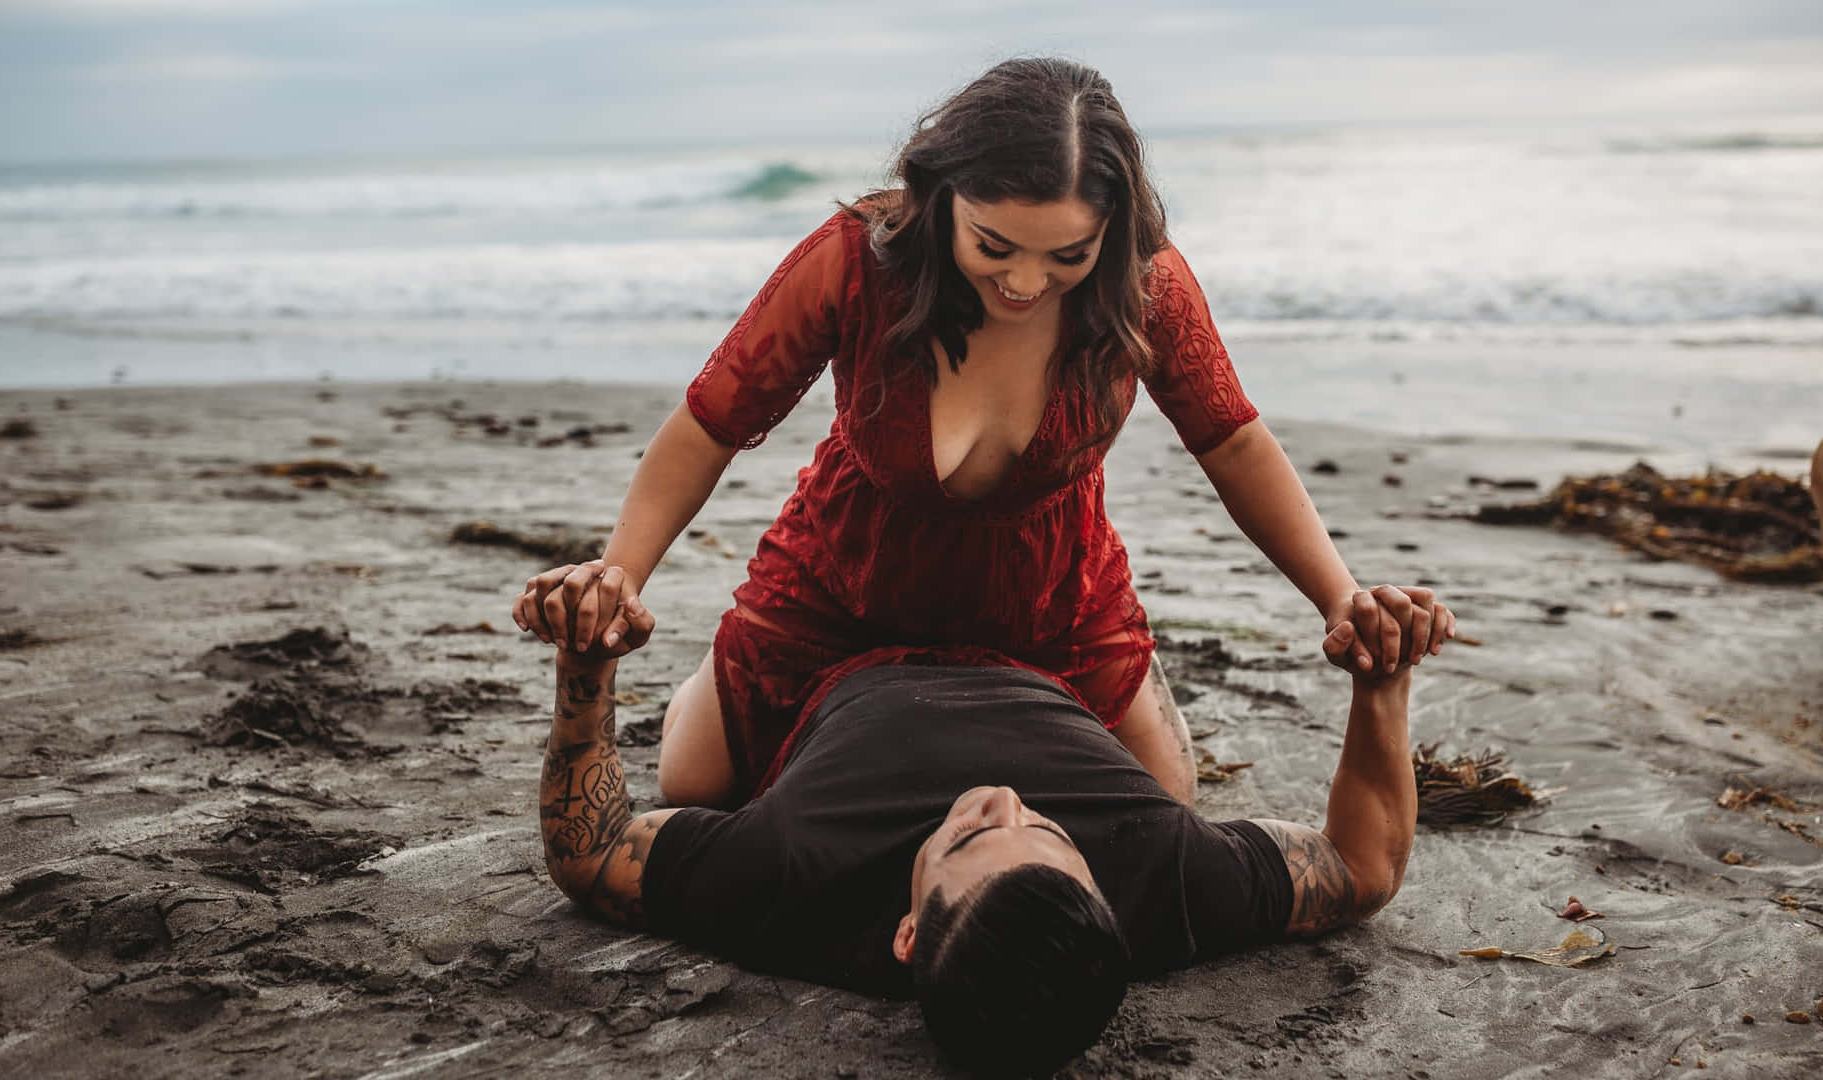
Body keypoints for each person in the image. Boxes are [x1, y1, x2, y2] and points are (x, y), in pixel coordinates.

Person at [513, 56, 1451, 810]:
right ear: (939, 197)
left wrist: (1337, 597)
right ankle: (711, 681)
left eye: (1067, 255)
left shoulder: (1147, 287)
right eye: (995, 246)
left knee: (1161, 807)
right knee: (698, 787)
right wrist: (620, 574)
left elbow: (1234, 444)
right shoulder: (853, 262)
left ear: (1112, 233)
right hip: (844, 576)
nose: (1026, 284)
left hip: (1053, 592)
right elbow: (707, 426)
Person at [536, 603, 1431, 1075]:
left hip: (833, 648)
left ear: (909, 933)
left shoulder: (786, 874)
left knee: (690, 778)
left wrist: (587, 667)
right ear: (1103, 896)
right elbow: (1363, 866)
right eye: (1048, 830)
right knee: (1173, 791)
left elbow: (593, 851)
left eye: (967, 841)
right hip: (1052, 644)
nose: (1001, 798)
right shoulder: (1164, 875)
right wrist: (1382, 683)